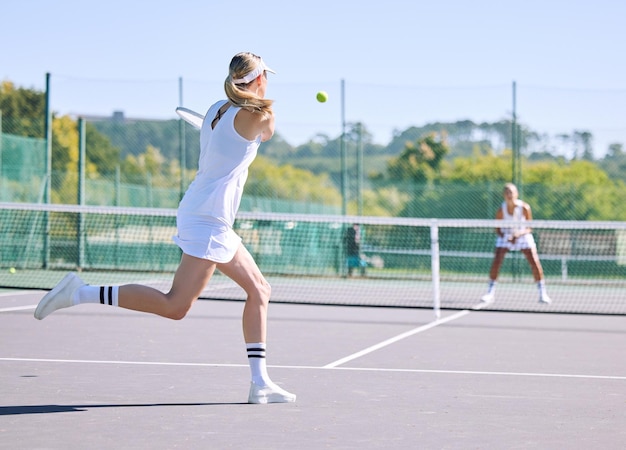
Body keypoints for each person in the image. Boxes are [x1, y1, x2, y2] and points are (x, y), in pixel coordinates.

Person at [34, 52, 296, 404]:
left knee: (259, 289)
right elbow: (267, 132)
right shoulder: (260, 116)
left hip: (209, 215)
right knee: (175, 306)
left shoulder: (219, 108)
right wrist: (264, 106)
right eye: (266, 76)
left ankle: (259, 382)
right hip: (207, 221)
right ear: (260, 79)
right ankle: (78, 292)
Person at [481, 183, 552, 304]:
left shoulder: (524, 208)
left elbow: (530, 227)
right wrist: (506, 237)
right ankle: (490, 292)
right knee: (497, 261)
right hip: (506, 237)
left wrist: (518, 234)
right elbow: (497, 229)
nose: (509, 195)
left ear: (516, 194)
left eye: (511, 192)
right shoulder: (501, 210)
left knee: (534, 262)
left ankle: (542, 293)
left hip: (523, 236)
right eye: (507, 193)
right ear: (504, 195)